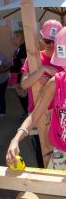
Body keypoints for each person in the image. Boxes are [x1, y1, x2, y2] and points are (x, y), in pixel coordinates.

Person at [6, 26, 66, 170]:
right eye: (63, 64)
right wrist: (15, 139)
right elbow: (35, 115)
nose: (63, 68)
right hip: (62, 152)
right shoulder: (56, 82)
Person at [21, 19, 63, 167]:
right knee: (43, 157)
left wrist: (53, 84)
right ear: (41, 40)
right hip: (37, 114)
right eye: (47, 40)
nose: (51, 45)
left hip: (59, 116)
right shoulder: (34, 59)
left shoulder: (62, 59)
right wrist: (41, 70)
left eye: (54, 41)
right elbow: (24, 84)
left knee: (59, 157)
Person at [9, 27, 28, 114]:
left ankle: (29, 114)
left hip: (21, 77)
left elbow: (25, 66)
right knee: (21, 97)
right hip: (16, 77)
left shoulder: (23, 49)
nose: (12, 39)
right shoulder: (19, 48)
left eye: (14, 37)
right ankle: (26, 112)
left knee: (24, 96)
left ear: (19, 37)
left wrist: (22, 82)